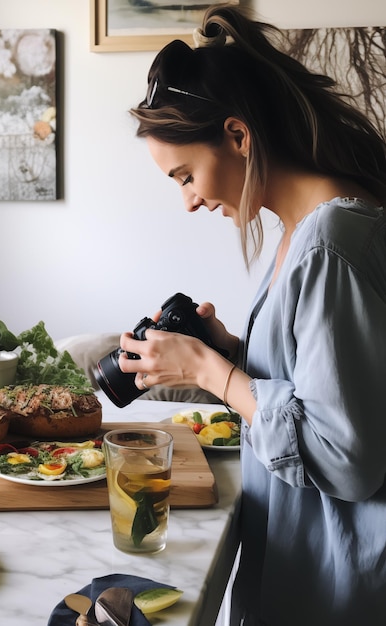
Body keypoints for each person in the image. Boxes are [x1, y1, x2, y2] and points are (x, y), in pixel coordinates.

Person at [118, 4, 386, 625]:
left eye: (186, 175)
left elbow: (346, 456)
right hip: (305, 561)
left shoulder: (330, 242)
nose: (188, 201)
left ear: (238, 136)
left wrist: (213, 372)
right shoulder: (307, 230)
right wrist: (233, 349)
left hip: (335, 586)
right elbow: (325, 386)